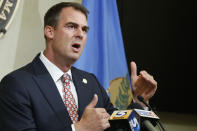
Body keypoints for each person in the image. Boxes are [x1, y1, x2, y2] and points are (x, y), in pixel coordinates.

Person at [0, 2, 157, 131]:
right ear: (50, 31)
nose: (80, 34)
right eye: (71, 26)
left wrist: (139, 101)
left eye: (84, 29)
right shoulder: (16, 85)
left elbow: (119, 128)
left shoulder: (90, 82)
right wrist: (78, 129)